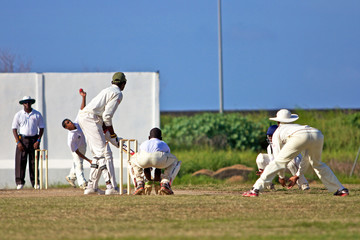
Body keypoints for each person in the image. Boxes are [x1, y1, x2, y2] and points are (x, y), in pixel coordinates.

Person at [243, 109, 349, 197]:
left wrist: (281, 177)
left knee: (278, 162)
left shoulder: (278, 132)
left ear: (278, 122)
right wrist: (297, 175)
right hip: (316, 133)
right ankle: (341, 189)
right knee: (317, 164)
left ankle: (255, 190)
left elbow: (278, 159)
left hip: (300, 136)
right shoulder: (295, 126)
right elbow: (306, 159)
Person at [63, 89, 119, 195]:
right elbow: (75, 151)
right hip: (77, 151)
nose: (70, 122)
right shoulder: (70, 138)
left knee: (96, 158)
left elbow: (82, 111)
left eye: (69, 121)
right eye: (67, 123)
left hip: (86, 145)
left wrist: (83, 97)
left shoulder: (77, 122)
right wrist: (86, 159)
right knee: (81, 164)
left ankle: (90, 186)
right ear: (66, 127)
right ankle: (101, 185)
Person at [78, 72, 126, 195]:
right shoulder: (118, 93)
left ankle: (91, 187)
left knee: (97, 155)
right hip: (91, 119)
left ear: (112, 82)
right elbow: (107, 116)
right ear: (123, 84)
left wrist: (112, 137)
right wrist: (113, 134)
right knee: (104, 154)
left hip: (86, 118)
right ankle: (111, 187)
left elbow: (103, 119)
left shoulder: (107, 90)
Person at [256, 125, 310, 190]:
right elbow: (273, 161)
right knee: (260, 157)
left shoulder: (286, 143)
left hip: (296, 165)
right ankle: (268, 184)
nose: (270, 138)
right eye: (269, 136)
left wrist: (280, 176)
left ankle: (303, 184)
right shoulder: (269, 147)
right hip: (282, 165)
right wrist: (266, 171)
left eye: (271, 135)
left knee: (291, 164)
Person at [130, 127, 181, 195]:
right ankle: (165, 183)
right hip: (159, 159)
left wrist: (148, 169)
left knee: (132, 160)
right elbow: (167, 156)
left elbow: (144, 157)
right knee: (175, 160)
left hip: (144, 160)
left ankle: (139, 183)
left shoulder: (144, 143)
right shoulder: (162, 143)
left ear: (149, 137)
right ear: (161, 138)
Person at [12, 96, 45, 190]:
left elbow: (41, 128)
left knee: (34, 162)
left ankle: (35, 182)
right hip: (22, 139)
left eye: (29, 102)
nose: (27, 104)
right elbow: (14, 129)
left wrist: (38, 140)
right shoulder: (18, 115)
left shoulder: (37, 114)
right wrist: (18, 142)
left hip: (34, 140)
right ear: (23, 104)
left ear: (31, 103)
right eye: (25, 102)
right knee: (20, 161)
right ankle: (19, 182)